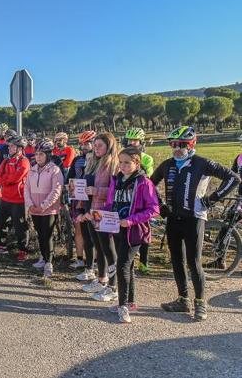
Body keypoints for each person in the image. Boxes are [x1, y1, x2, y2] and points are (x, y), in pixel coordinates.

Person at [151, 126, 240, 321]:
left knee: (194, 262)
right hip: (173, 219)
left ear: (191, 144)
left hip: (195, 218)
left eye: (181, 144)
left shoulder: (202, 163)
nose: (176, 148)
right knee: (177, 261)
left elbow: (233, 178)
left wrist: (214, 197)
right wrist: (161, 205)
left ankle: (200, 303)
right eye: (173, 144)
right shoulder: (167, 165)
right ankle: (183, 300)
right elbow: (150, 185)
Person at [101, 146, 159, 323]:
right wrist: (101, 214)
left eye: (127, 162)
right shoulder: (116, 180)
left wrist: (132, 220)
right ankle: (130, 302)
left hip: (134, 232)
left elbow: (154, 209)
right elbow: (111, 202)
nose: (123, 166)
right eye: (121, 162)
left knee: (122, 266)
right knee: (128, 267)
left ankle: (123, 306)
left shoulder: (143, 182)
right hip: (117, 229)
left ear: (137, 163)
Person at [77, 132, 119, 302]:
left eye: (100, 145)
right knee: (98, 247)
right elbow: (84, 186)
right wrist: (81, 210)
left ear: (109, 146)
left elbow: (116, 190)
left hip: (104, 212)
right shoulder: (92, 162)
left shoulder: (113, 164)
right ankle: (102, 279)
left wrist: (97, 192)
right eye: (95, 145)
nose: (96, 148)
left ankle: (114, 287)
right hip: (91, 211)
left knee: (109, 249)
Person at [24, 138, 63, 278]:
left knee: (47, 236)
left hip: (49, 210)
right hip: (35, 209)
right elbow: (26, 189)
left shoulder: (55, 170)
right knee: (40, 235)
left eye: (41, 154)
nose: (38, 157)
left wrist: (43, 206)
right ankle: (43, 257)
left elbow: (56, 191)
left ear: (48, 155)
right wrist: (30, 205)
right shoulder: (32, 170)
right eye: (36, 154)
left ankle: (49, 263)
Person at [122, 127, 155, 274]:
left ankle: (144, 262)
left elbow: (148, 176)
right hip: (126, 194)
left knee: (144, 228)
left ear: (141, 142)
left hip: (142, 193)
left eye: (134, 140)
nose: (131, 143)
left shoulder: (147, 158)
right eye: (129, 140)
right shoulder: (121, 155)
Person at [0, 136, 30, 262]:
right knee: (0, 222)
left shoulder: (24, 161)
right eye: (9, 146)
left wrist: (5, 180)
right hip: (5, 198)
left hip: (18, 200)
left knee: (20, 225)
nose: (9, 148)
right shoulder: (6, 161)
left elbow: (16, 177)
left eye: (12, 146)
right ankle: (2, 245)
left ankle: (22, 250)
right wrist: (5, 180)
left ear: (20, 148)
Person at [67, 131, 98, 275]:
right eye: (82, 144)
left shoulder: (101, 160)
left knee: (96, 232)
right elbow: (70, 178)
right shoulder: (77, 160)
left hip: (95, 200)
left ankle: (97, 262)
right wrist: (69, 193)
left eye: (87, 143)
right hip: (78, 200)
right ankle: (80, 259)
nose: (84, 147)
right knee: (79, 230)